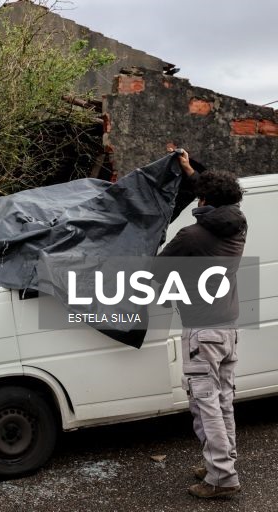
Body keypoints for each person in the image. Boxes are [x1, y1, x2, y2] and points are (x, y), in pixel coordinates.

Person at [158, 150, 247, 499]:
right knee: (223, 399)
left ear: (205, 199)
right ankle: (223, 462)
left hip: (201, 332)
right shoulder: (238, 224)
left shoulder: (191, 237)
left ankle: (222, 478)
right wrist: (189, 170)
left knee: (204, 401)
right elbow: (214, 195)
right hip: (228, 328)